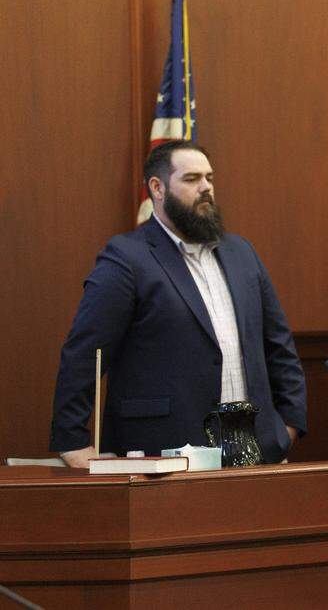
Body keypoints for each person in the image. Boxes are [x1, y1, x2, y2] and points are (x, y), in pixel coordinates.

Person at [50, 141, 306, 467]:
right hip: (164, 457)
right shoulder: (127, 258)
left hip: (255, 454)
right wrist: (72, 442)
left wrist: (287, 428)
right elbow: (85, 353)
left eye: (210, 178)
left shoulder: (242, 253)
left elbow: (279, 346)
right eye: (192, 179)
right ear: (157, 188)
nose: (206, 188)